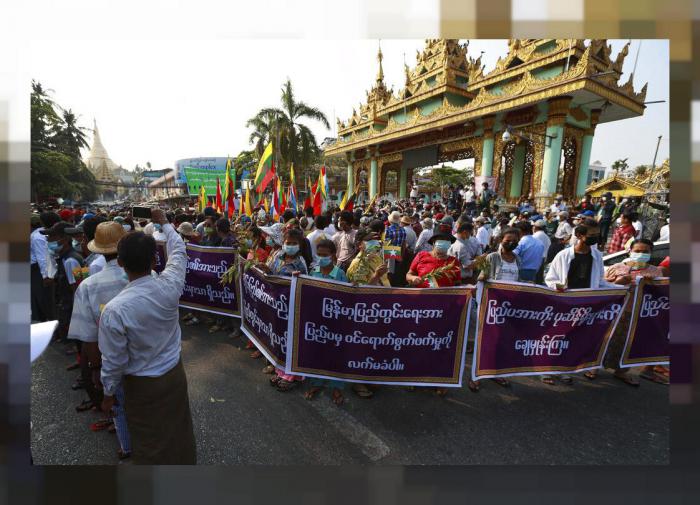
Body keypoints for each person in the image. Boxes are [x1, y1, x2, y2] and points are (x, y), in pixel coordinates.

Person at [98, 209, 196, 464]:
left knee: (149, 442)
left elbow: (114, 360)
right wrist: (165, 223)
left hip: (142, 385)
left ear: (120, 262)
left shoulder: (115, 310)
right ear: (154, 261)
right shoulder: (169, 285)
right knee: (179, 432)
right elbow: (179, 252)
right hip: (174, 375)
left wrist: (108, 393)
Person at [68, 221, 132, 459]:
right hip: (146, 358)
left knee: (118, 405)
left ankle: (127, 447)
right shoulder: (147, 275)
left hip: (110, 359)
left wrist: (95, 369)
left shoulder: (88, 285)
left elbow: (90, 339)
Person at [543, 218, 617, 386]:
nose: (596, 238)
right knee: (556, 337)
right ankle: (547, 370)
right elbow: (550, 279)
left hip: (585, 305)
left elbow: (599, 281)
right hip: (564, 304)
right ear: (580, 235)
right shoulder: (563, 255)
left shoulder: (597, 255)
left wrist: (619, 287)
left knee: (574, 338)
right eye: (592, 235)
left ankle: (563, 370)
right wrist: (558, 286)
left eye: (597, 235)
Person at [583, 239, 664, 385]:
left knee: (629, 343)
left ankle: (621, 371)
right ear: (630, 251)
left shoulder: (655, 272)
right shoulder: (617, 267)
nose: (641, 254)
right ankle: (594, 367)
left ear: (651, 253)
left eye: (645, 252)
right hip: (614, 311)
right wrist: (620, 281)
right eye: (637, 251)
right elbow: (602, 287)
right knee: (605, 338)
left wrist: (651, 284)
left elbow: (660, 294)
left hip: (637, 313)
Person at [257, 228, 308, 391]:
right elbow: (271, 274)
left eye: (294, 243)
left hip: (291, 308)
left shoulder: (301, 263)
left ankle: (292, 376)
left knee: (290, 339)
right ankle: (280, 369)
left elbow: (303, 286)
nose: (290, 246)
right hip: (274, 304)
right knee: (278, 336)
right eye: (288, 243)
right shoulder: (277, 256)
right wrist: (264, 269)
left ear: (299, 245)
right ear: (283, 243)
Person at [303, 239, 348, 405]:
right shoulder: (313, 272)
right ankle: (316, 383)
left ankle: (337, 387)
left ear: (333, 256)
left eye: (325, 255)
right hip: (316, 323)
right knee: (317, 353)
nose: (322, 258)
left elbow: (347, 299)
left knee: (335, 356)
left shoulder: (340, 275)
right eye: (319, 254)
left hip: (335, 324)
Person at [41, 222, 84, 344]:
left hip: (70, 307)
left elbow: (77, 287)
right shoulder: (67, 257)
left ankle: (75, 347)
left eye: (52, 237)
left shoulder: (71, 260)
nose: (48, 240)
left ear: (64, 240)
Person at [31, 212, 57, 322]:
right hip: (38, 270)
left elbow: (42, 258)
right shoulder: (38, 235)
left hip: (39, 271)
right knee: (40, 298)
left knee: (42, 299)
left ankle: (47, 321)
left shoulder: (38, 236)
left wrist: (46, 276)